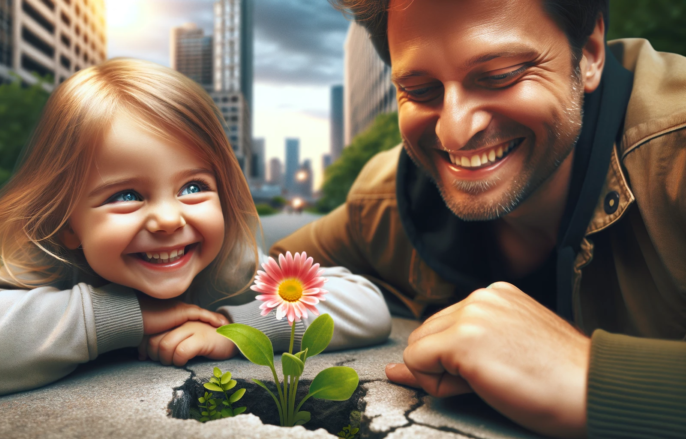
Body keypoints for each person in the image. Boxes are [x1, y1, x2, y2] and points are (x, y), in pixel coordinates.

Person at [271, 0, 686, 437]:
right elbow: (275, 275)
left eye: (500, 76)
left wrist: (591, 379)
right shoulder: (386, 200)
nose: (454, 131)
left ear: (590, 52)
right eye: (421, 90)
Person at [0, 59, 392, 401]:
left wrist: (235, 331)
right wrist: (127, 317)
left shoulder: (229, 276)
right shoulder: (56, 275)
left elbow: (368, 308)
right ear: (67, 225)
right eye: (126, 195)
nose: (169, 219)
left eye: (192, 187)